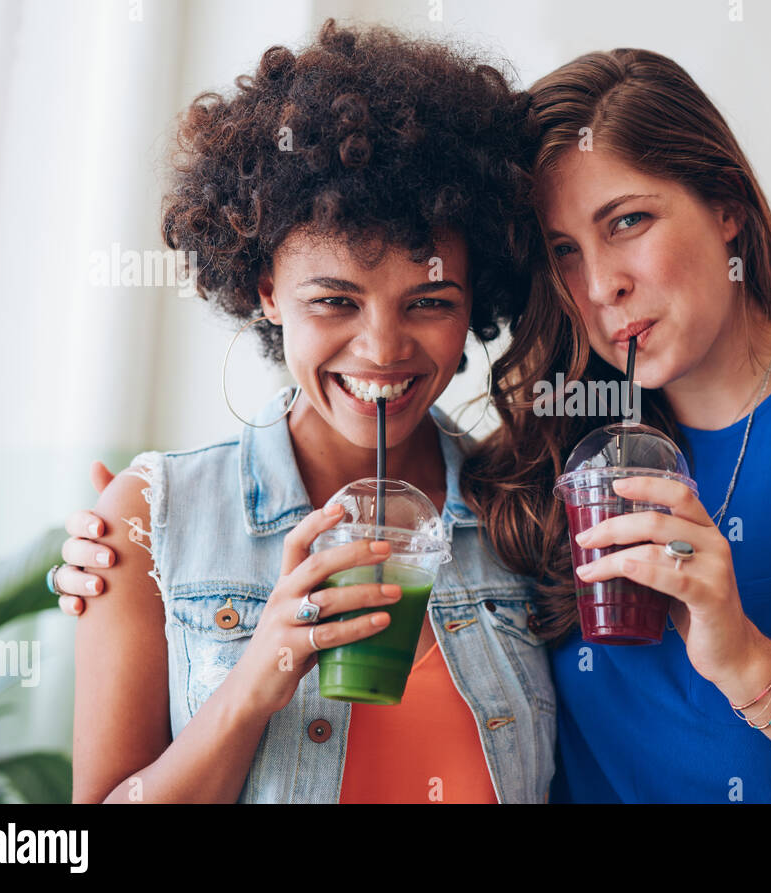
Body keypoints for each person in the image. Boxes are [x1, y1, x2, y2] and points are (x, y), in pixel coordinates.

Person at [57, 42, 771, 803]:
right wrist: (185, 601)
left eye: (629, 222)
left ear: (727, 207)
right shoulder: (543, 463)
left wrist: (751, 664)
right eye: (563, 248)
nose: (601, 283)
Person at [63, 21, 555, 804]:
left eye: (429, 301)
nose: (382, 348)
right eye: (335, 301)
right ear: (265, 290)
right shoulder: (150, 522)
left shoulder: (522, 512)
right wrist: (256, 680)